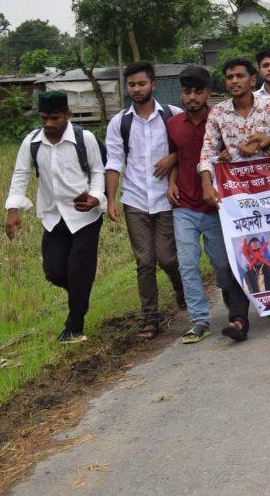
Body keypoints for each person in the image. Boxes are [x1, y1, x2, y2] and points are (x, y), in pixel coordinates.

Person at [198, 58, 270, 342]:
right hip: (237, 193)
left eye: (240, 76)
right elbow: (208, 151)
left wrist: (265, 139)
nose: (234, 81)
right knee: (241, 250)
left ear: (253, 80)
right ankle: (238, 319)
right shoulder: (218, 113)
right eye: (229, 77)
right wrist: (206, 181)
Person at [5, 91, 106, 344]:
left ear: (67, 115)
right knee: (54, 271)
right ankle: (80, 294)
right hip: (53, 216)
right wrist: (13, 210)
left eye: (54, 118)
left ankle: (74, 327)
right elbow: (20, 174)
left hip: (85, 216)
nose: (49, 124)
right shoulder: (32, 142)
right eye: (44, 118)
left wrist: (95, 196)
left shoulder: (85, 139)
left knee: (78, 269)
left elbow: (97, 170)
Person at [166, 65, 251, 345]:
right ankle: (198, 319)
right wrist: (172, 182)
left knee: (222, 264)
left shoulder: (220, 120)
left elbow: (240, 150)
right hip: (185, 206)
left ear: (207, 93)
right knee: (187, 264)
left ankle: (232, 299)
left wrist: (231, 151)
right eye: (187, 91)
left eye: (198, 91)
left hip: (217, 205)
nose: (192, 97)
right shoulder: (173, 125)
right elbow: (176, 155)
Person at [104, 62, 185, 340]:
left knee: (168, 258)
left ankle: (181, 290)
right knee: (145, 261)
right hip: (135, 199)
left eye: (141, 84)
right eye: (131, 85)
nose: (136, 90)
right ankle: (150, 319)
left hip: (166, 199)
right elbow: (114, 161)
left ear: (153, 85)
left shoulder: (172, 116)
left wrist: (172, 158)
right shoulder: (120, 122)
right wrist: (111, 199)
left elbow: (187, 147)